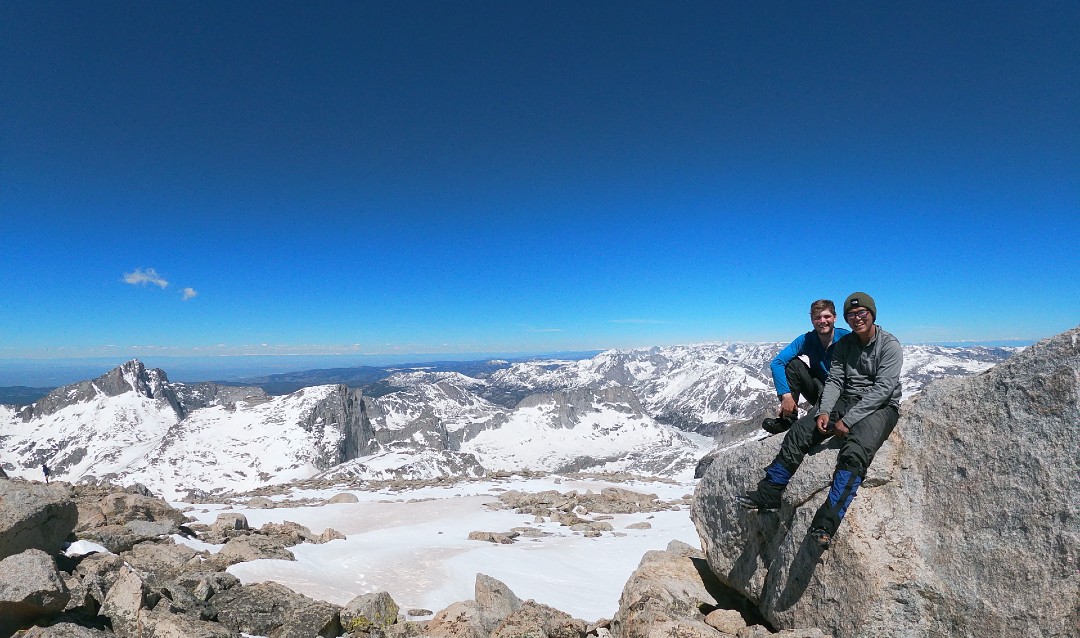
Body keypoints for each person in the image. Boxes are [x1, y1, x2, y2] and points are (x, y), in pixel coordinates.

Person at [738, 292, 902, 549]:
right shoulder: (846, 344)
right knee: (801, 431)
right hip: (846, 397)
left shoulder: (889, 344)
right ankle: (771, 490)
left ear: (872, 314)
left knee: (855, 452)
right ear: (846, 319)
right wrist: (824, 411)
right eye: (852, 315)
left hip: (881, 406)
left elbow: (883, 389)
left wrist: (849, 419)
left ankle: (826, 522)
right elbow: (836, 380)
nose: (858, 318)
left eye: (862, 313)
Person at [761, 299, 850, 434]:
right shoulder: (806, 340)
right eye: (817, 317)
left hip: (843, 393)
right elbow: (777, 363)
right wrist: (786, 395)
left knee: (812, 425)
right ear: (812, 320)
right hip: (819, 389)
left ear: (835, 318)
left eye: (827, 316)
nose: (822, 321)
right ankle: (788, 420)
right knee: (793, 365)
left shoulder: (847, 338)